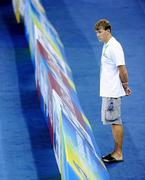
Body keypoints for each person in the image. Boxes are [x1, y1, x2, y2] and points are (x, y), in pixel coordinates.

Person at [95, 19, 131, 163]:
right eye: (97, 32)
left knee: (116, 121)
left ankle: (118, 153)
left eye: (100, 32)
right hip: (108, 90)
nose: (98, 35)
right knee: (113, 121)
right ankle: (116, 151)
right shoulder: (106, 45)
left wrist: (125, 85)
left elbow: (122, 69)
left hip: (112, 92)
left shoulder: (114, 47)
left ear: (108, 31)